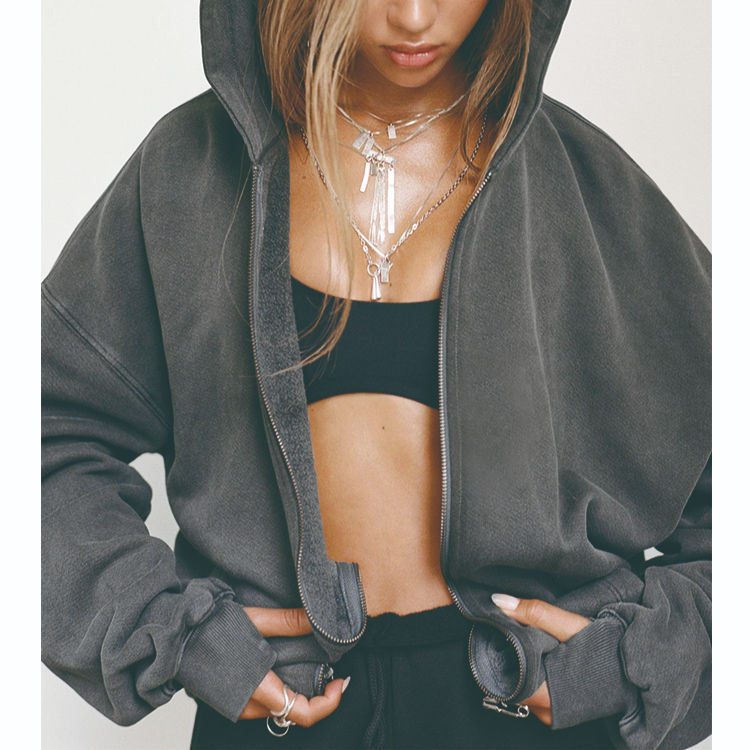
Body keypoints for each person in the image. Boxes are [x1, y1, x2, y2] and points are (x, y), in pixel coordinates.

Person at [41, 1, 711, 749]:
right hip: (282, 711)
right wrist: (175, 632)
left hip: (530, 706)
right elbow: (43, 433)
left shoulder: (582, 187)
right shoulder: (188, 172)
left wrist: (638, 658)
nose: (415, 16)